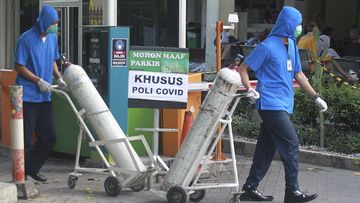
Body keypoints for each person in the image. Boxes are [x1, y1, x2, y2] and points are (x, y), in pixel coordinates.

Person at [238, 6, 327, 202]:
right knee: (291, 144)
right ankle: (292, 192)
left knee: (266, 148)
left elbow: (298, 74)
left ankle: (250, 188)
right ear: (288, 24)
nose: (300, 27)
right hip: (270, 104)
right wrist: (249, 89)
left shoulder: (292, 46)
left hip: (284, 103)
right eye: (297, 23)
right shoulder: (267, 46)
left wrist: (316, 97)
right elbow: (243, 69)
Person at [14, 5, 67, 182]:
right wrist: (38, 80)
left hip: (45, 96)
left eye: (57, 23)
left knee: (49, 136)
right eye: (53, 23)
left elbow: (52, 59)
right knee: (26, 140)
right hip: (28, 96)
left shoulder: (52, 38)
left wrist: (58, 77)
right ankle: (22, 176)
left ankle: (30, 168)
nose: (55, 27)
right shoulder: (26, 39)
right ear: (44, 21)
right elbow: (19, 66)